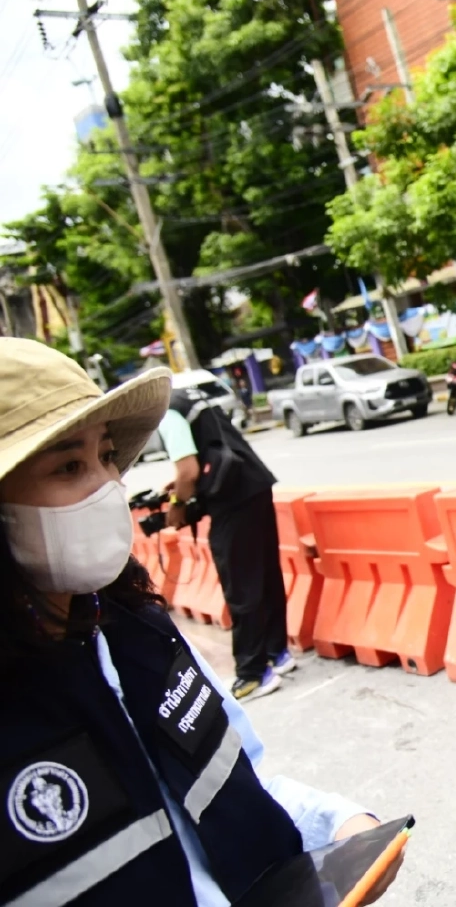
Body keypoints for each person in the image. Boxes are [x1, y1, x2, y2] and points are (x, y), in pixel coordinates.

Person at [0, 337, 402, 906]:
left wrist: (337, 826)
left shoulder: (141, 634)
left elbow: (243, 786)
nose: (108, 487)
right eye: (68, 466)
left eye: (107, 456)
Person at [157, 379, 292, 701]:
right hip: (253, 484)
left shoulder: (167, 413)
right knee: (266, 575)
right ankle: (278, 653)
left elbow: (188, 471)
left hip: (231, 499)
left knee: (241, 585)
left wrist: (177, 506)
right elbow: (210, 451)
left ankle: (253, 674)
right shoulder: (189, 397)